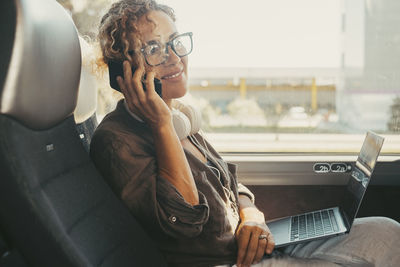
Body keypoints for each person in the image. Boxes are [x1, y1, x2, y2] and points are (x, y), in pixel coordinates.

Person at [90, 1, 400, 266]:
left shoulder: (180, 119)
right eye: (153, 49)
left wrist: (252, 216)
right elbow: (182, 224)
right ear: (123, 74)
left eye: (175, 42)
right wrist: (160, 126)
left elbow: (231, 184)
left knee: (386, 232)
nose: (174, 57)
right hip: (222, 262)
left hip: (247, 248)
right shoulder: (117, 141)